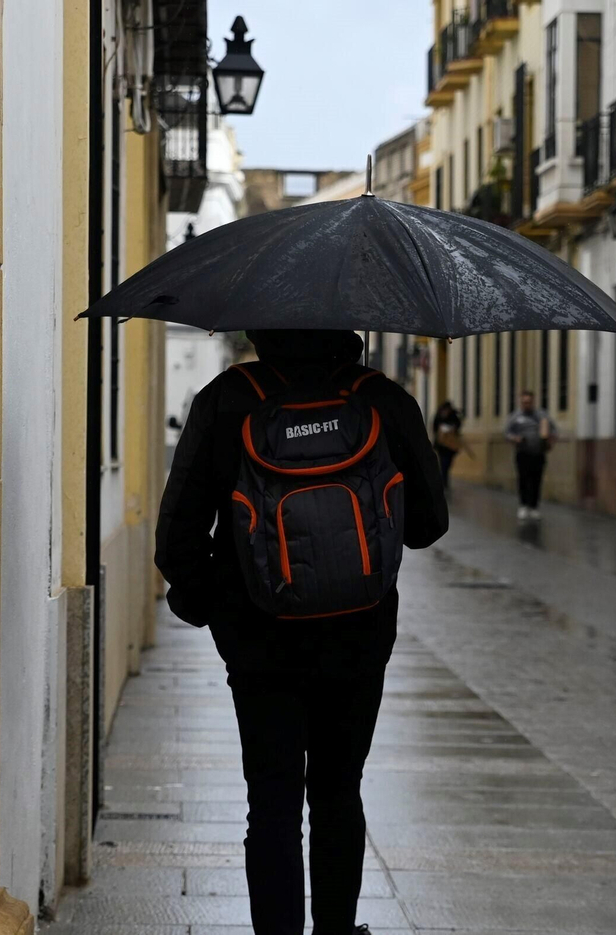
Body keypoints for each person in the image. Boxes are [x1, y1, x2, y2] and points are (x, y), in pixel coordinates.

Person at [155, 329, 448, 935]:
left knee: (272, 801)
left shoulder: (228, 399)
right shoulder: (383, 399)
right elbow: (427, 526)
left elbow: (176, 540)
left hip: (260, 643)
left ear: (260, 326)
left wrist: (224, 606)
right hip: (359, 639)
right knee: (340, 792)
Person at [504, 390, 553, 520]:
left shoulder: (542, 415)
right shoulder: (515, 417)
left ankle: (534, 506)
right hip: (522, 453)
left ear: (533, 402)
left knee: (537, 480)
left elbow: (552, 430)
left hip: (538, 453)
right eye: (524, 402)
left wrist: (549, 439)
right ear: (521, 402)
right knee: (523, 479)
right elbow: (507, 433)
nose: (527, 404)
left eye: (529, 402)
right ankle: (523, 505)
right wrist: (515, 438)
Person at [431, 400, 463, 489]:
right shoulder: (438, 416)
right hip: (441, 446)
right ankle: (444, 481)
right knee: (443, 463)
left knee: (448, 463)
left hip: (450, 445)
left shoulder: (453, 416)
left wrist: (452, 428)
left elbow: (458, 425)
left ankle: (444, 479)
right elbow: (435, 428)